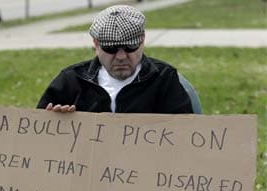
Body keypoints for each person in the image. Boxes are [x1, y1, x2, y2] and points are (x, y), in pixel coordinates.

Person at [37, 5, 193, 114]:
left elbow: (184, 133)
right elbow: (38, 135)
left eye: (130, 47)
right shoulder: (71, 81)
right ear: (96, 44)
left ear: (142, 40)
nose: (121, 57)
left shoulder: (163, 79)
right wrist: (53, 118)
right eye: (111, 49)